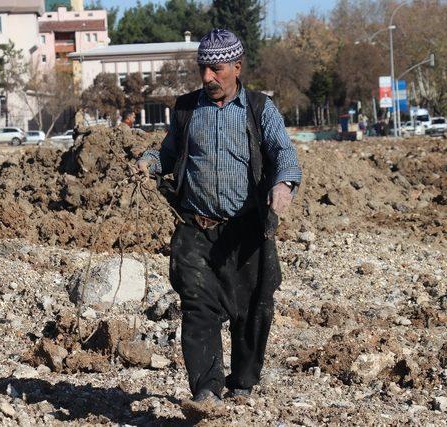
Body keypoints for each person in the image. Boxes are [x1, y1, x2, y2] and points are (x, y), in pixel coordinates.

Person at [136, 28, 302, 408]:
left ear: (237, 67)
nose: (208, 77)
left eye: (217, 69)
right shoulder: (185, 109)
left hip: (246, 232)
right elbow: (168, 153)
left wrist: (284, 185)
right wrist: (148, 163)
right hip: (197, 228)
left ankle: (243, 381)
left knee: (253, 307)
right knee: (197, 309)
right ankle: (206, 392)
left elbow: (284, 154)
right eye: (203, 69)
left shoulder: (260, 109)